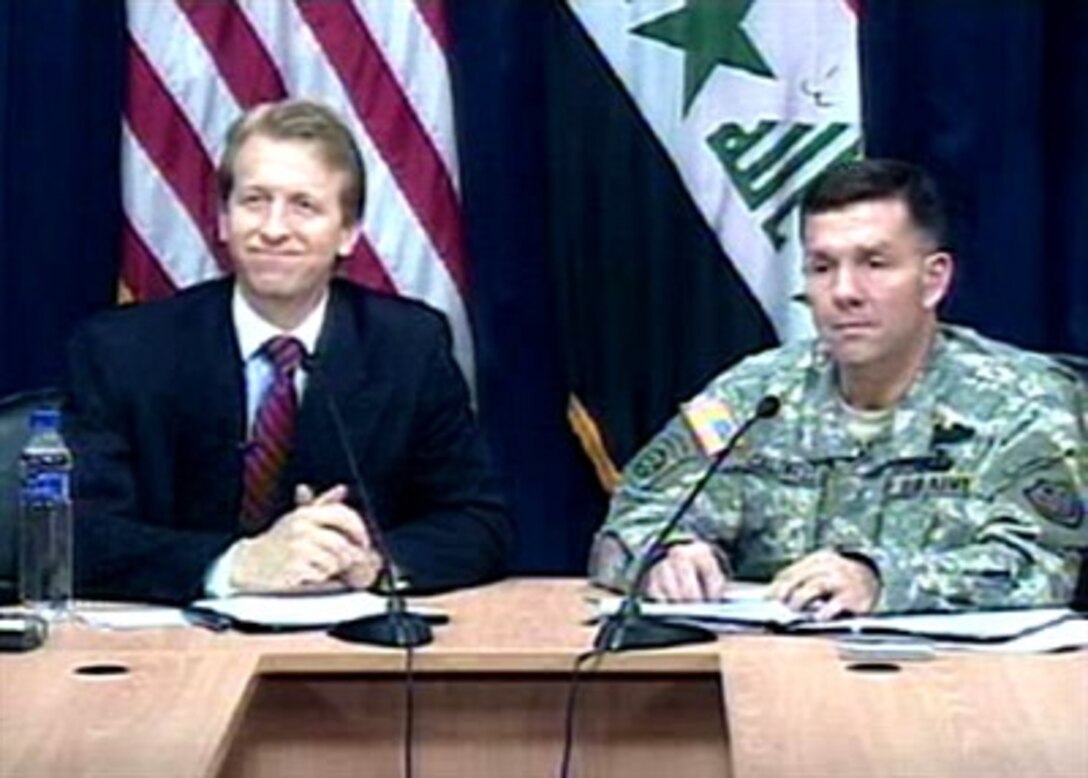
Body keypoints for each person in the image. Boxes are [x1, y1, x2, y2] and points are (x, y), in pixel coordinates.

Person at [590, 158, 1087, 618]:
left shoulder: (1021, 402)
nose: (844, 292)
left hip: (958, 692)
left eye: (874, 263)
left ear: (933, 280)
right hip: (773, 679)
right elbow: (631, 518)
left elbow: (1041, 566)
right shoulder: (755, 395)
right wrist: (665, 554)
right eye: (822, 267)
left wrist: (879, 581)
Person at [65, 99, 511, 604]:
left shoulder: (408, 345)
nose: (274, 229)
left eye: (304, 205)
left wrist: (368, 561)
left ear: (348, 233)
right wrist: (238, 564)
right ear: (223, 220)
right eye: (254, 200)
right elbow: (77, 534)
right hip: (172, 650)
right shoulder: (122, 351)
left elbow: (479, 524)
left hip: (349, 654)